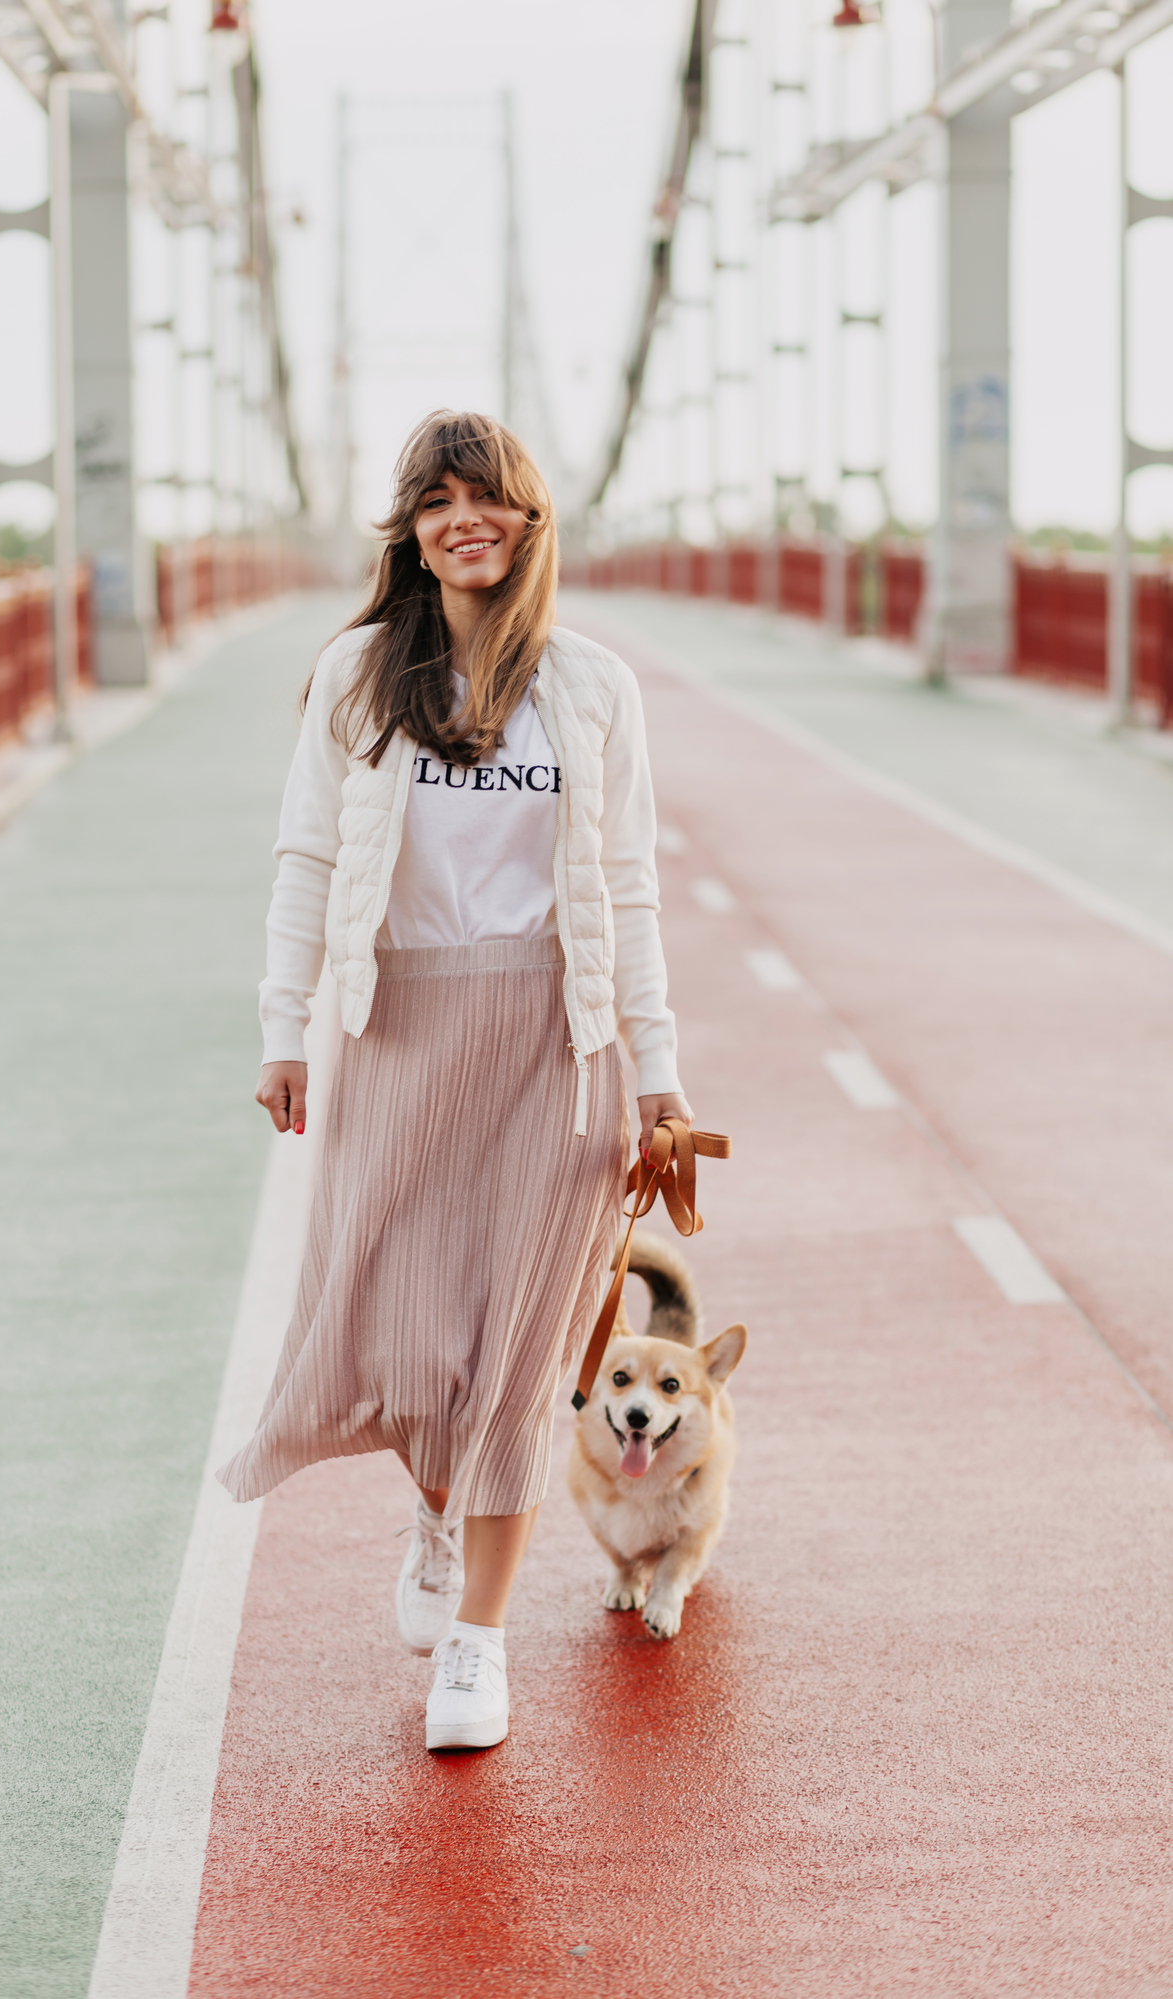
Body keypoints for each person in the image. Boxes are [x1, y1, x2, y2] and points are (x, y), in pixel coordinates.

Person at [217, 410, 690, 1751]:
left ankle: (475, 1648)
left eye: (483, 498)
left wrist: (658, 1075)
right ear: (410, 530)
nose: (458, 519)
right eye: (434, 501)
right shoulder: (359, 675)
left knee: (518, 1355)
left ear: (528, 519)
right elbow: (306, 861)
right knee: (405, 1338)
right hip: (400, 1029)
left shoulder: (593, 685)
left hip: (559, 1040)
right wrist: (284, 1029)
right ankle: (434, 1510)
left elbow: (631, 890)